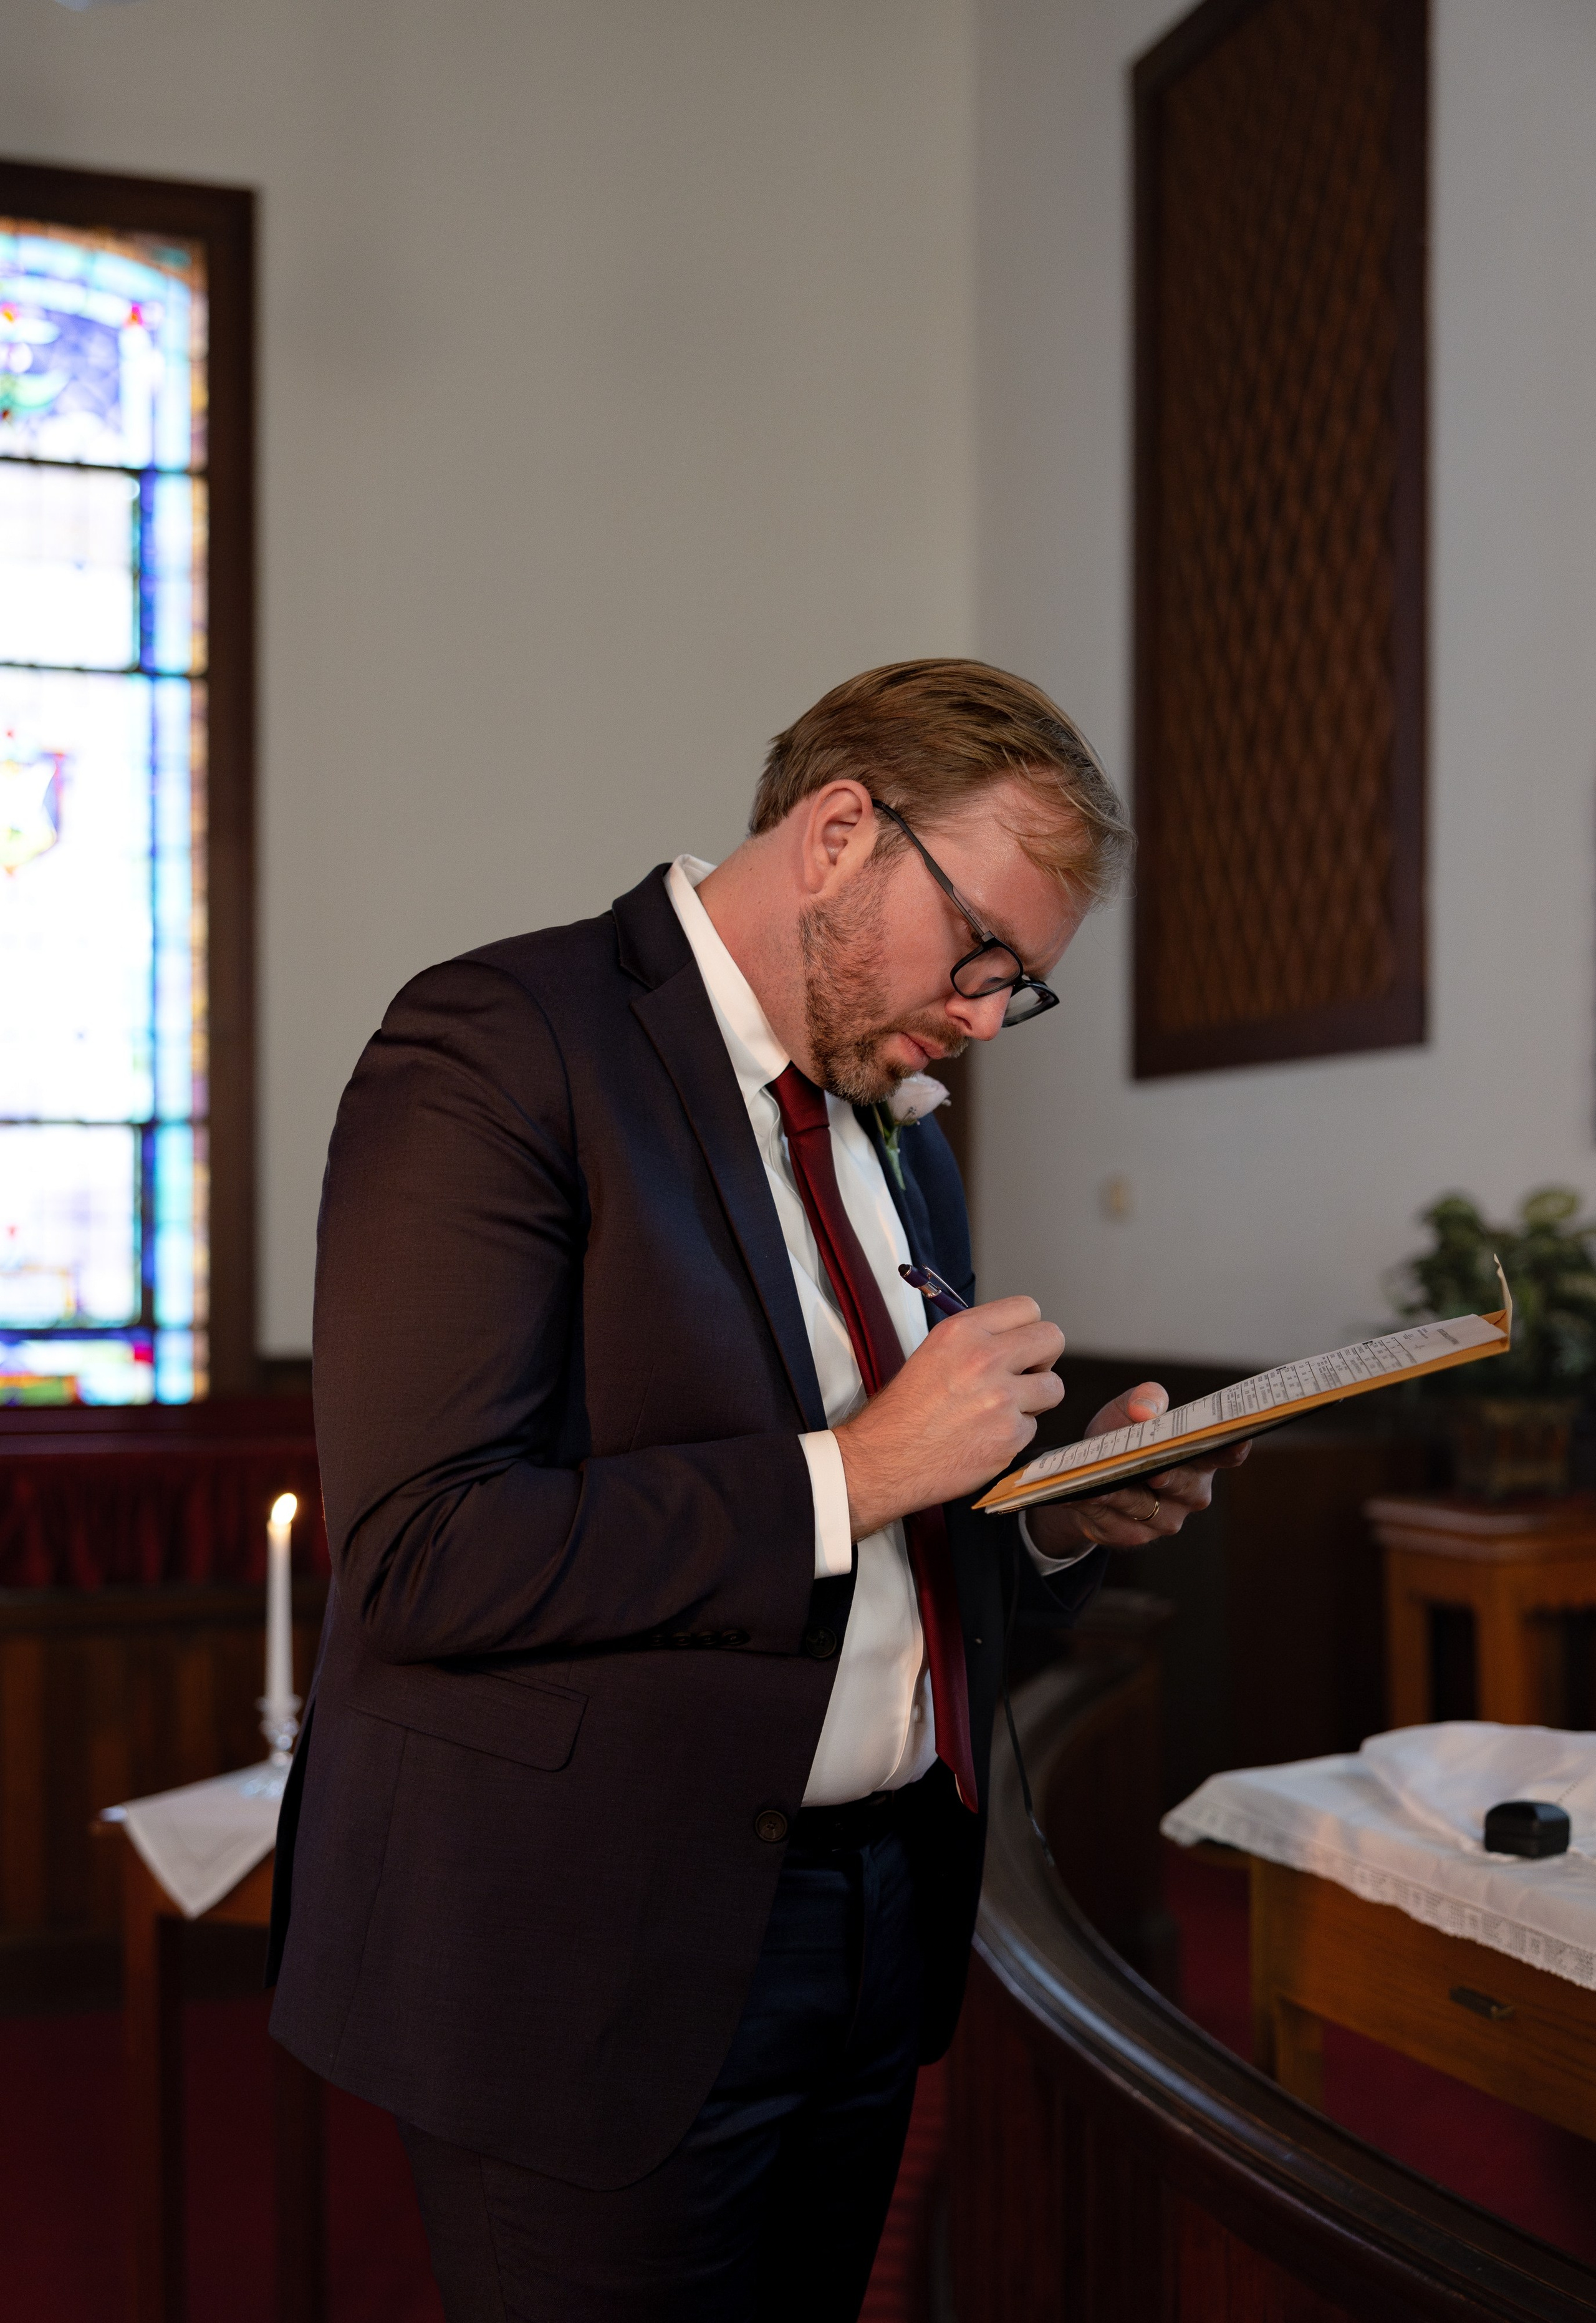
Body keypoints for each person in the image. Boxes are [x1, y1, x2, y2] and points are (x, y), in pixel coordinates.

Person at [267, 659, 1248, 2322]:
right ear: (840, 832)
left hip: (868, 1925)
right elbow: (430, 1553)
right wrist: (860, 1469)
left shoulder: (896, 1129)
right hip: (593, 1944)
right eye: (984, 953)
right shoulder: (504, 1041)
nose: (992, 1016)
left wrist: (1058, 1514)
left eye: (1028, 987)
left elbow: (882, 1557)